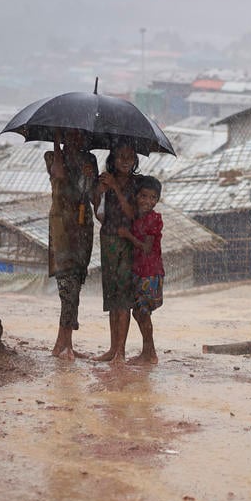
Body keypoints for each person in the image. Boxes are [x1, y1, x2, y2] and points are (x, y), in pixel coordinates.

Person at [45, 128, 97, 360]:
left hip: (83, 228)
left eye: (80, 135)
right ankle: (62, 344)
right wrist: (57, 144)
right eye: (71, 135)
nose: (77, 139)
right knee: (66, 286)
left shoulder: (90, 159)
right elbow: (58, 174)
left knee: (76, 285)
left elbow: (94, 195)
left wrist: (91, 177)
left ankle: (65, 343)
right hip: (62, 229)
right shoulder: (52, 156)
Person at [92, 142, 139, 362]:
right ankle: (112, 348)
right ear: (113, 159)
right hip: (108, 239)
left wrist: (117, 189)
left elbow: (132, 214)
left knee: (124, 298)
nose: (125, 161)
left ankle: (121, 350)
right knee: (111, 296)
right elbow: (99, 215)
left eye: (129, 157)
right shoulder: (104, 180)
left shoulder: (137, 184)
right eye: (121, 156)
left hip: (127, 242)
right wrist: (99, 193)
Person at [118, 176, 165, 364]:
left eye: (153, 197)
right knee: (138, 312)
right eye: (144, 196)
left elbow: (146, 248)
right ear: (136, 196)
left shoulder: (154, 219)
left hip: (150, 273)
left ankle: (150, 353)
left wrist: (127, 235)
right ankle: (148, 351)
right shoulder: (136, 216)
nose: (148, 201)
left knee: (143, 313)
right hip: (140, 271)